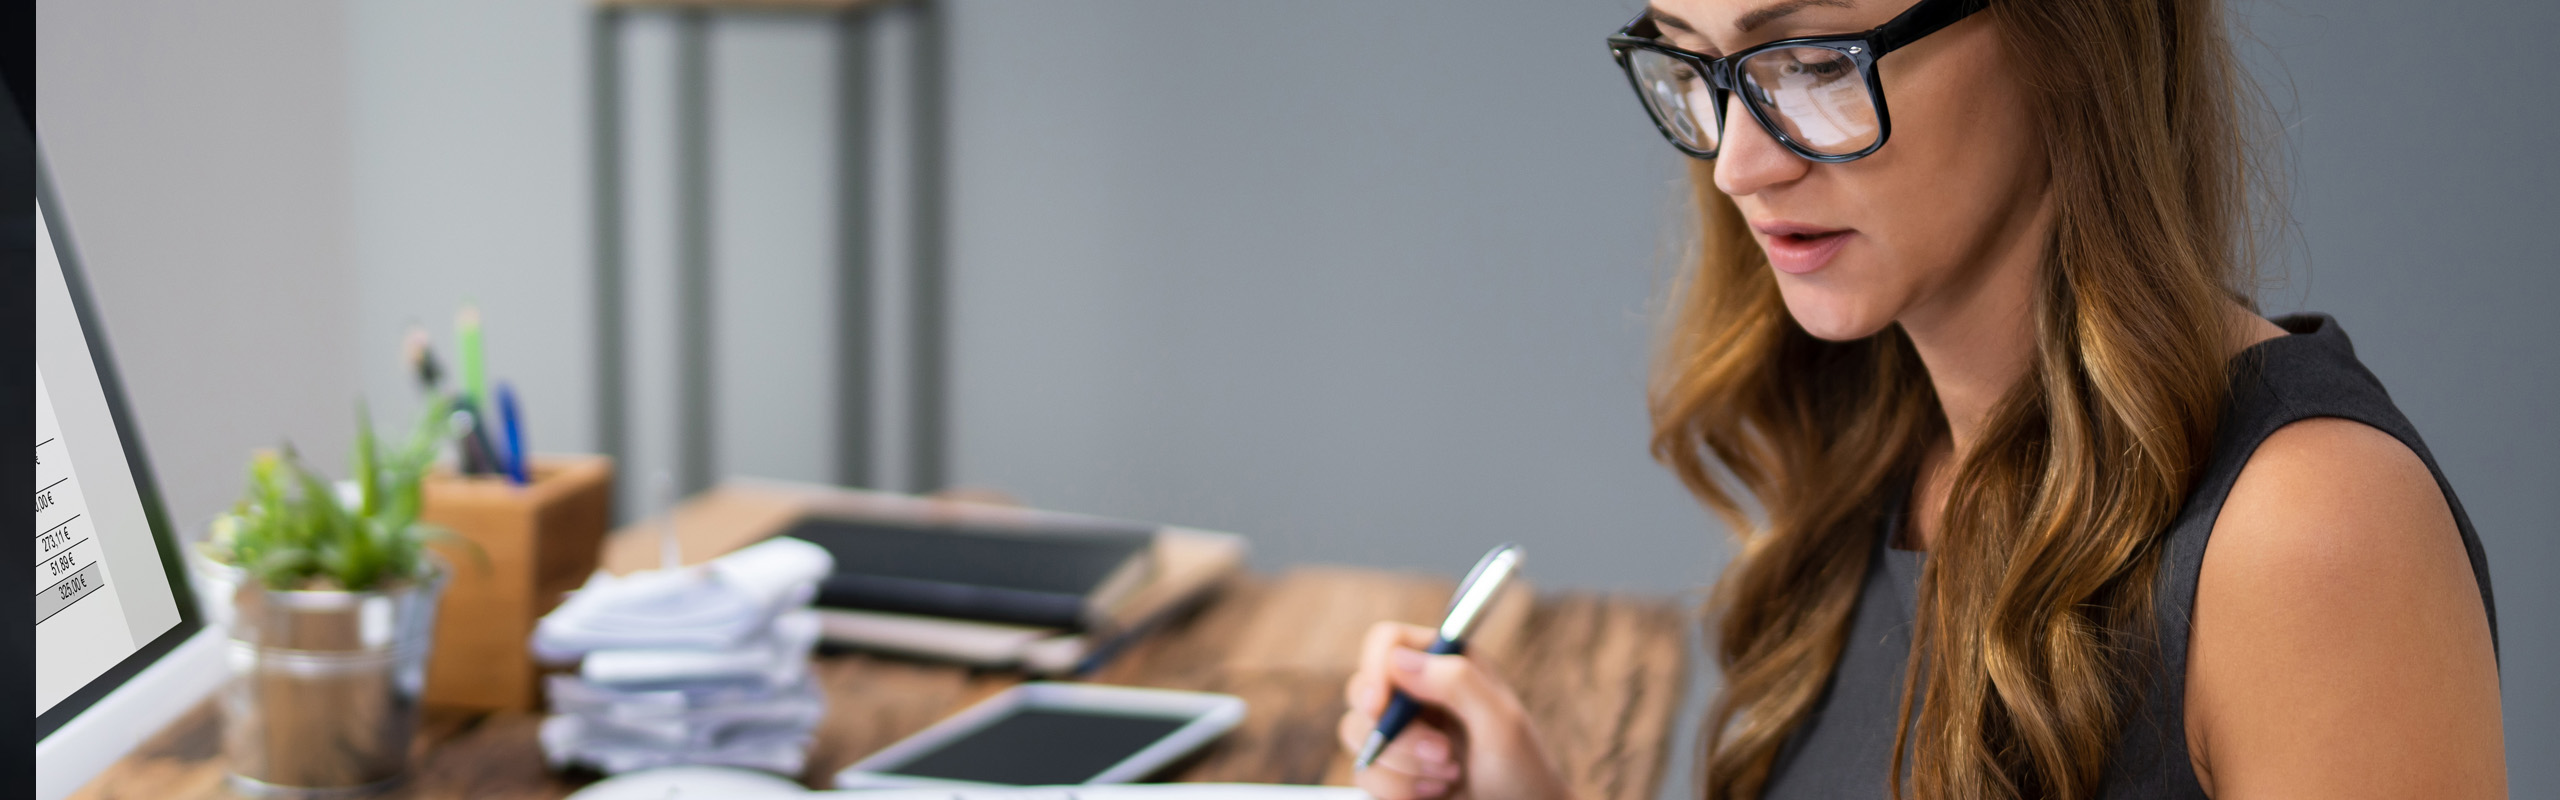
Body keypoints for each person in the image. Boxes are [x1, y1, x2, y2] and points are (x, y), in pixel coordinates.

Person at [1337, 0, 2506, 797]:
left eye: (1812, 60)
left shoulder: (2304, 535)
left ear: (2065, 35)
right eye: (1694, 62)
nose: (1740, 162)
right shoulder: (1883, 447)